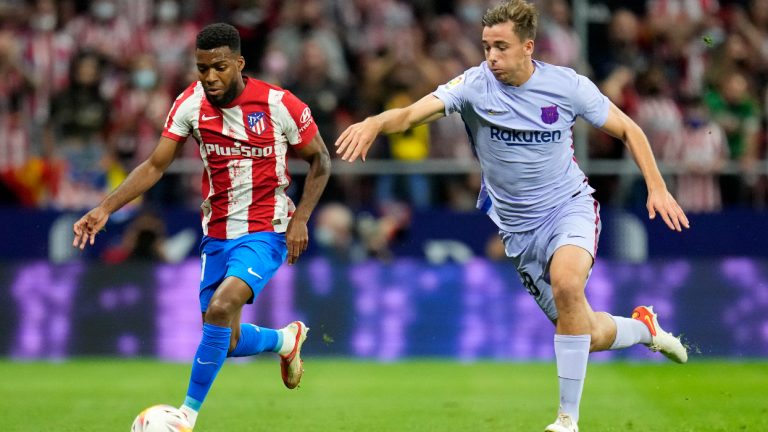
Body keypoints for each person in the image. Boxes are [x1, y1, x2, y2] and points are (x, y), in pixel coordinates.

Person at [335, 2, 690, 431]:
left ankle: (567, 419)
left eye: (501, 47)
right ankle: (644, 329)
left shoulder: (566, 86)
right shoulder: (473, 86)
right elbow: (411, 114)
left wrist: (656, 186)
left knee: (566, 282)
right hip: (518, 230)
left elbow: (629, 129)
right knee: (585, 333)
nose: (492, 58)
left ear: (528, 46)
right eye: (486, 47)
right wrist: (373, 123)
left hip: (568, 206)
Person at [73, 23, 331, 430]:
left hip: (266, 230)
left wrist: (300, 219)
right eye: (202, 68)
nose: (210, 77)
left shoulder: (279, 104)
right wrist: (106, 207)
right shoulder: (190, 104)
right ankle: (285, 340)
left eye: (220, 67)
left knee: (221, 307)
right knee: (223, 339)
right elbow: (157, 164)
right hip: (217, 234)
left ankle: (185, 417)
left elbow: (321, 159)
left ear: (240, 64)